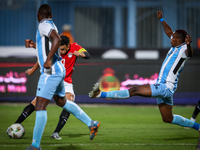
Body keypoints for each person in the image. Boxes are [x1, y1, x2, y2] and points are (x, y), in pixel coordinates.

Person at [89, 10, 200, 132]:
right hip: (166, 87)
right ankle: (198, 127)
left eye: (173, 37)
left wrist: (189, 45)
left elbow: (189, 53)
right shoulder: (175, 45)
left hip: (165, 87)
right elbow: (169, 32)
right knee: (168, 118)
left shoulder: (184, 49)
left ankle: (100, 94)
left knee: (134, 90)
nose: (170, 37)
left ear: (179, 40)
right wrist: (161, 19)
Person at [25, 4, 100, 150]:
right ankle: (92, 123)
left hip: (51, 70)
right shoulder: (51, 23)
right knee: (61, 101)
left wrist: (47, 60)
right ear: (51, 15)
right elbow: (50, 45)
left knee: (40, 105)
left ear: (38, 15)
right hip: (59, 69)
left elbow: (57, 40)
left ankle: (35, 145)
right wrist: (35, 45)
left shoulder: (43, 24)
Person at [6, 35, 91, 140]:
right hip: (52, 79)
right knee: (36, 103)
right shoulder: (54, 48)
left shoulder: (75, 46)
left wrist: (81, 55)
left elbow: (87, 55)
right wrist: (33, 69)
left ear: (68, 46)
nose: (60, 52)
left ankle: (56, 133)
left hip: (65, 82)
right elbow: (44, 58)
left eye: (63, 49)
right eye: (58, 49)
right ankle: (13, 126)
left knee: (69, 104)